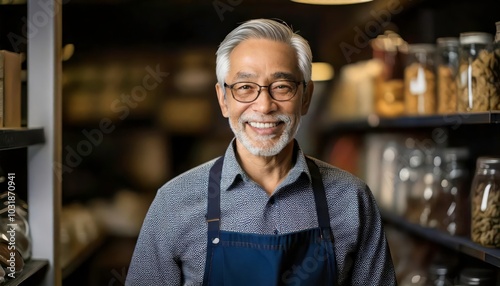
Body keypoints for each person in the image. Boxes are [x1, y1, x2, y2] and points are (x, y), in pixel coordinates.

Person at [125, 18, 397, 286]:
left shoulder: (352, 199)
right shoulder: (173, 202)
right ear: (223, 100)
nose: (265, 106)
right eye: (245, 88)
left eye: (282, 87)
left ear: (305, 97)